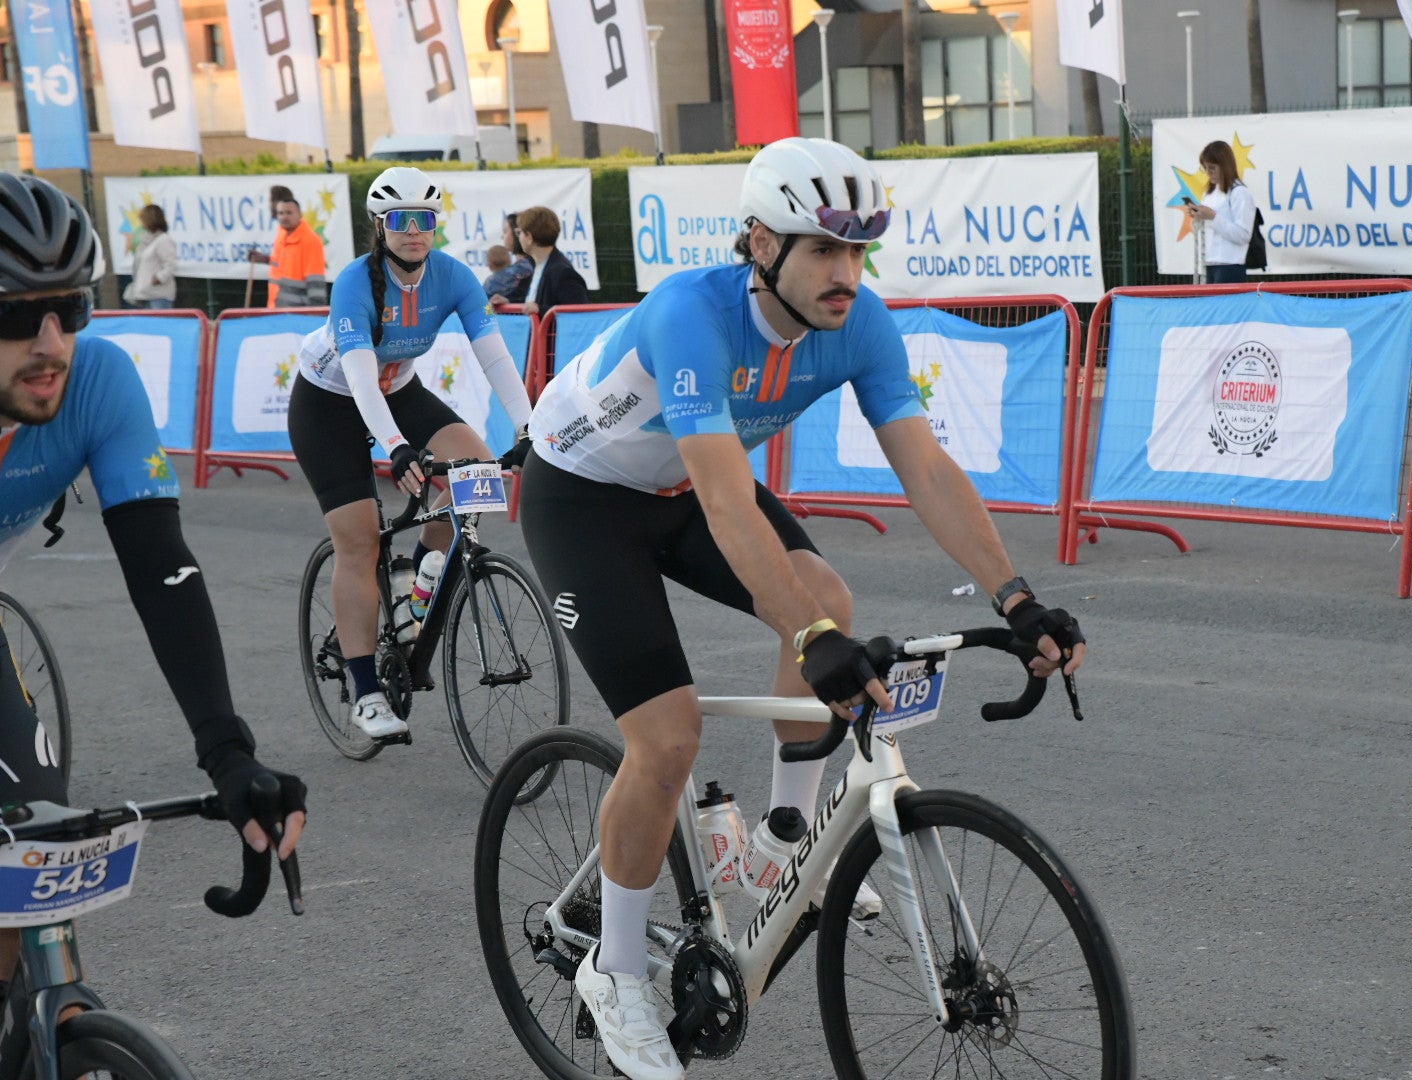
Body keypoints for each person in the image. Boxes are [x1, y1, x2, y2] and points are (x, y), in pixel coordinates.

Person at [518, 137, 1084, 1080]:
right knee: (667, 739)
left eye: (860, 252)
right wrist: (816, 642)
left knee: (824, 593)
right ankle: (615, 972)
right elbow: (729, 501)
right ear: (759, 245)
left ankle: (783, 842)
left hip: (690, 489)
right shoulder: (690, 316)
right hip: (584, 498)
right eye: (824, 250)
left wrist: (1016, 598)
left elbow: (928, 469)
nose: (846, 275)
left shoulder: (859, 324)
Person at [0, 174, 307, 982]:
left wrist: (228, 754)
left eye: (71, 309)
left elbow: (163, 571)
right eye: (15, 316)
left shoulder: (96, 381)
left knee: (38, 851)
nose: (52, 344)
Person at [288, 166, 533, 741]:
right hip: (330, 402)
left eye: (424, 219)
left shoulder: (452, 277)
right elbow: (359, 380)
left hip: (399, 391)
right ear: (380, 226)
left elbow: (493, 355)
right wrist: (397, 449)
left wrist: (528, 427)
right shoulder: (354, 282)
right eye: (401, 221)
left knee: (479, 478)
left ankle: (415, 591)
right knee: (359, 538)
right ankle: (367, 692)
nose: (414, 231)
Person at [1184, 139, 1257, 285]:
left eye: (1212, 168)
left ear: (1224, 166)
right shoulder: (1210, 193)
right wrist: (1198, 216)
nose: (1208, 173)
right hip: (1209, 263)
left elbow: (1243, 235)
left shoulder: (1239, 193)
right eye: (1205, 168)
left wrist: (1213, 216)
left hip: (1230, 264)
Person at [247, 196, 327, 308]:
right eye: (281, 213)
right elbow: (281, 264)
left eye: (289, 213)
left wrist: (315, 315)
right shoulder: (282, 235)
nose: (284, 217)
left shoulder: (311, 241)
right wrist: (264, 259)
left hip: (297, 314)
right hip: (275, 309)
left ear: (300, 214)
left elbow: (315, 284)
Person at [513, 205, 588, 317]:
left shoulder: (562, 273)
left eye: (520, 233)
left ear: (529, 237)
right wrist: (506, 302)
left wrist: (540, 310)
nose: (519, 238)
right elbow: (527, 302)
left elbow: (578, 314)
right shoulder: (532, 267)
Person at [123, 204, 177, 309]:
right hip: (144, 295)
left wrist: (159, 278)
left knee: (160, 325)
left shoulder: (163, 240)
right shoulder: (145, 241)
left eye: (143, 219)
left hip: (159, 296)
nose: (141, 223)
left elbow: (171, 265)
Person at [485, 213, 533, 305]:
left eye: (505, 231)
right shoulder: (525, 267)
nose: (503, 236)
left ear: (517, 233)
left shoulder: (530, 267)